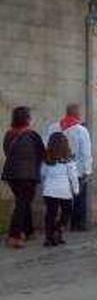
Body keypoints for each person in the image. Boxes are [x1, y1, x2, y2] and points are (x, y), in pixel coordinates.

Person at [2, 107, 45, 249]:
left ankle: (29, 231)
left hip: (11, 174)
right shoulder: (33, 135)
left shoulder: (9, 134)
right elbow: (43, 154)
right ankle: (14, 236)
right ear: (27, 119)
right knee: (22, 204)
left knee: (24, 202)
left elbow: (7, 151)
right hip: (28, 175)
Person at [47, 103, 92, 232]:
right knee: (78, 198)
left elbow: (47, 147)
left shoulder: (54, 127)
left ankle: (58, 224)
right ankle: (77, 224)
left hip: (55, 169)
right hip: (76, 169)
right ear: (77, 114)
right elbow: (86, 153)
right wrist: (87, 171)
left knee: (56, 201)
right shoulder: (81, 130)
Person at [41, 132, 79, 247]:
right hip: (64, 192)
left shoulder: (46, 160)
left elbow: (42, 174)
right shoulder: (69, 161)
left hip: (49, 191)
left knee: (50, 214)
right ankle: (58, 230)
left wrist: (45, 186)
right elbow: (73, 177)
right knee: (67, 212)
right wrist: (76, 190)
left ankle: (49, 237)